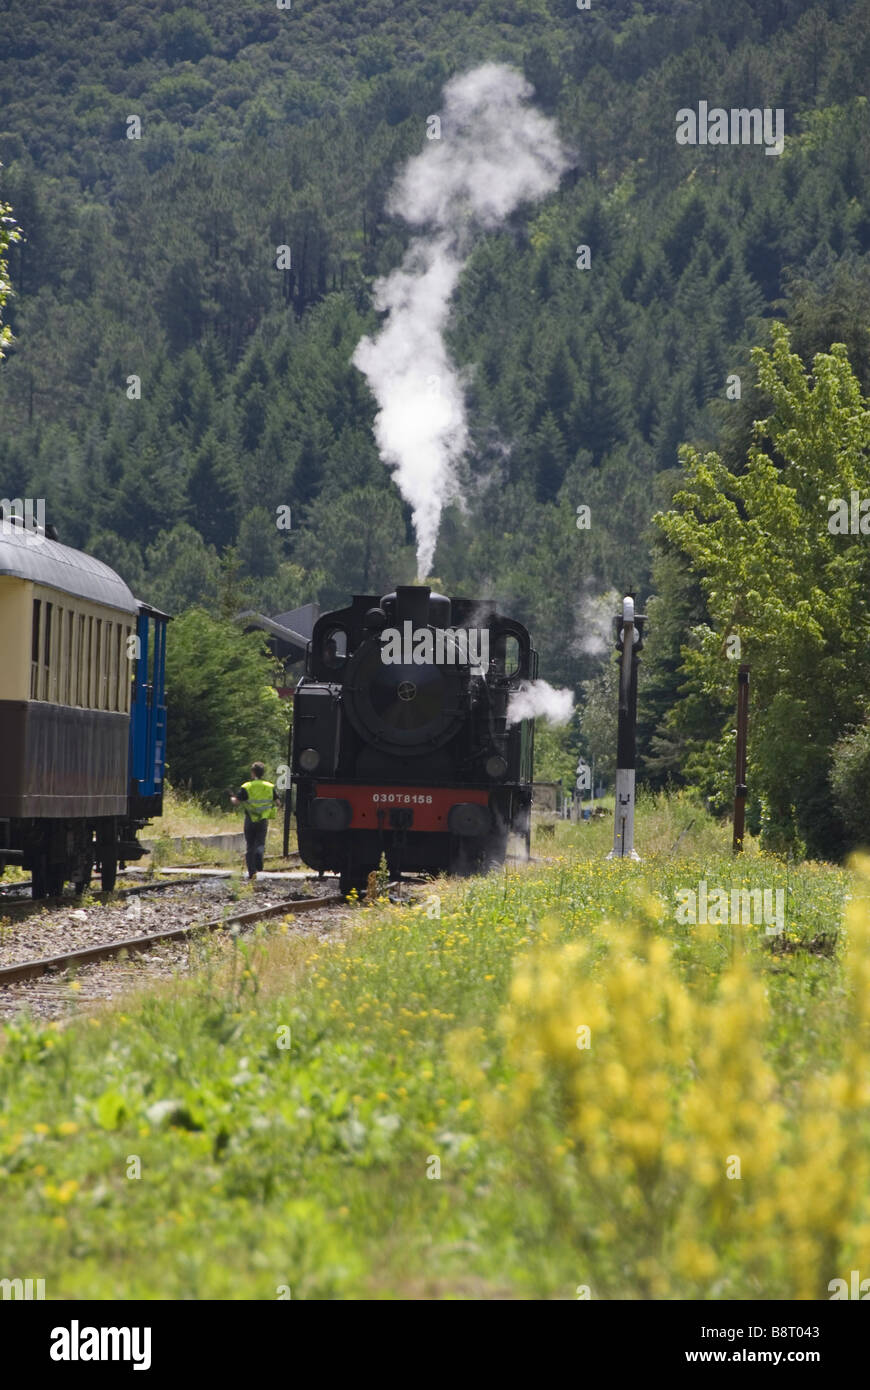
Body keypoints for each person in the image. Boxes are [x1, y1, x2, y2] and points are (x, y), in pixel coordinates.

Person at [231, 762, 279, 881]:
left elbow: (236, 802)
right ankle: (259, 853)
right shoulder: (269, 786)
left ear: (253, 773)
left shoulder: (247, 786)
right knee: (260, 843)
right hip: (263, 819)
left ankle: (252, 873)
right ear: (263, 773)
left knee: (250, 845)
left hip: (250, 819)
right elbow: (278, 803)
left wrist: (232, 798)